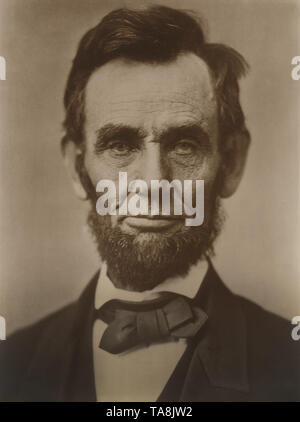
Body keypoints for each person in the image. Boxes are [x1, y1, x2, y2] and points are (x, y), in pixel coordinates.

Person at [0, 5, 299, 402]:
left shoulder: (289, 364)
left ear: (231, 163)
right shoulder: (12, 364)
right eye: (120, 145)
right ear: (77, 168)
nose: (155, 183)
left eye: (185, 145)